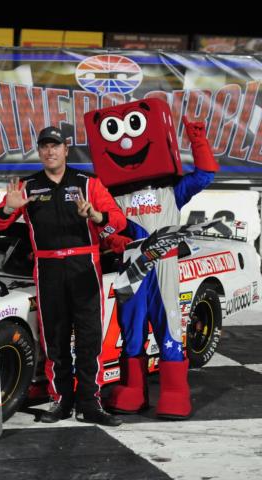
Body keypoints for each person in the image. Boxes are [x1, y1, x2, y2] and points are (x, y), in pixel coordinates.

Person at [84, 99, 219, 419]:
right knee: (130, 328)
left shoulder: (171, 189)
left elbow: (204, 176)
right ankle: (133, 390)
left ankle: (175, 391)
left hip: (164, 263)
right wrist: (113, 239)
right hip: (130, 266)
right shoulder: (108, 192)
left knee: (169, 324)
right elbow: (102, 225)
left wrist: (197, 138)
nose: (127, 141)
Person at [0, 126, 126, 426]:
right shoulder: (26, 186)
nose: (50, 152)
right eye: (44, 147)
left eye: (55, 146)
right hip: (48, 269)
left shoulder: (89, 184)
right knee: (54, 341)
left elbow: (118, 221)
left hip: (85, 267)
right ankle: (61, 402)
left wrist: (96, 217)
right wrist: (9, 209)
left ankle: (90, 404)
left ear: (66, 148)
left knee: (90, 339)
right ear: (39, 151)